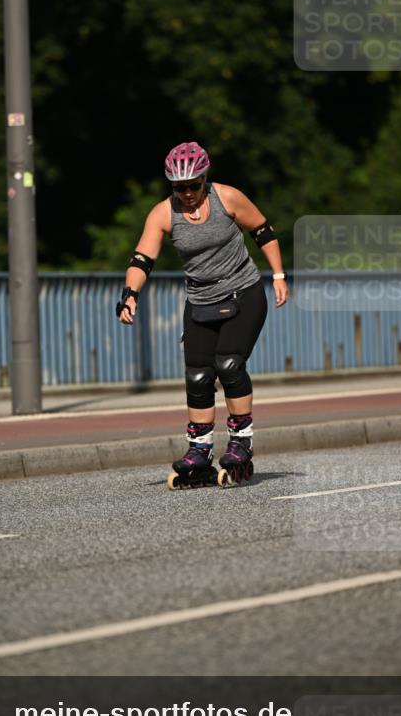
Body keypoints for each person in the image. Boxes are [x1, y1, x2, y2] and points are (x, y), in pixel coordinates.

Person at [116, 141, 287, 480]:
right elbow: (142, 259)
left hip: (244, 293)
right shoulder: (163, 213)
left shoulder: (227, 198)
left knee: (229, 364)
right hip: (200, 300)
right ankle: (200, 450)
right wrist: (130, 294)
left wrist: (279, 275)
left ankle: (241, 443)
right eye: (179, 187)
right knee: (197, 375)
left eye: (194, 186)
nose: (188, 194)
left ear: (205, 178)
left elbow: (263, 231)